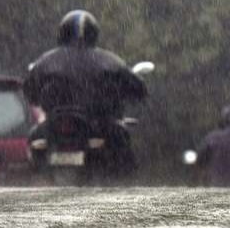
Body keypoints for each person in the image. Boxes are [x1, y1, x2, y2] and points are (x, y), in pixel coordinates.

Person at [23, 10, 148, 170]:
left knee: (35, 139)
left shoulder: (46, 61)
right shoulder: (109, 61)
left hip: (56, 124)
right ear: (93, 33)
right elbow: (137, 87)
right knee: (122, 140)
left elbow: (29, 90)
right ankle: (121, 182)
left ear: (62, 33)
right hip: (98, 122)